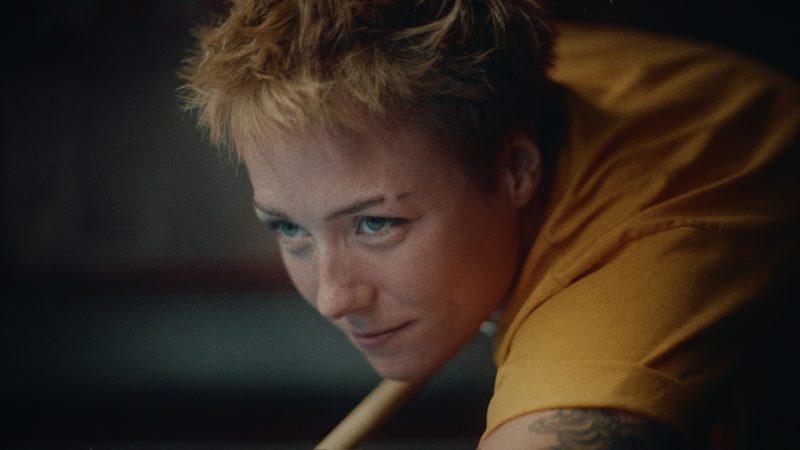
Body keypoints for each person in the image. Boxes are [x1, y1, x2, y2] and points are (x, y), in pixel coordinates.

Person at [180, 0, 800, 447]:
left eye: (375, 224)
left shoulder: (609, 315)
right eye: (288, 229)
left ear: (516, 168)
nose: (333, 298)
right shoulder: (495, 74)